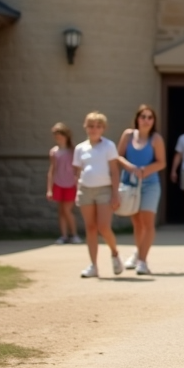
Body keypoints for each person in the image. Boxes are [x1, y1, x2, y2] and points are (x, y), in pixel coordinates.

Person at [117, 105, 167, 275]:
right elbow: (118, 156)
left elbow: (161, 162)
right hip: (130, 184)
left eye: (150, 117)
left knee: (147, 222)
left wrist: (145, 170)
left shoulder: (156, 139)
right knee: (137, 223)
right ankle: (138, 252)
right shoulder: (128, 135)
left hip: (150, 184)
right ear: (137, 119)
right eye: (143, 117)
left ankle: (143, 262)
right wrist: (131, 167)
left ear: (154, 121)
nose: (146, 120)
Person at [73, 112, 122, 279]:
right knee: (90, 228)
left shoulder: (109, 146)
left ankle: (114, 253)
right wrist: (77, 190)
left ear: (103, 128)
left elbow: (115, 172)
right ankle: (93, 265)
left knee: (103, 226)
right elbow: (77, 172)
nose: (94, 129)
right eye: (91, 126)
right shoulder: (80, 148)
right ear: (85, 127)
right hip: (85, 190)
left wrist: (116, 194)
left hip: (104, 190)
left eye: (98, 126)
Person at [46, 123, 80, 245]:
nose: (56, 136)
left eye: (58, 133)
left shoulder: (73, 150)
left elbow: (78, 169)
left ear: (65, 135)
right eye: (55, 134)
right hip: (58, 183)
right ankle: (64, 236)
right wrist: (49, 188)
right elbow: (52, 170)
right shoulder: (54, 152)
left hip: (71, 184)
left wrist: (79, 183)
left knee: (67, 210)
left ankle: (74, 235)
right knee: (61, 210)